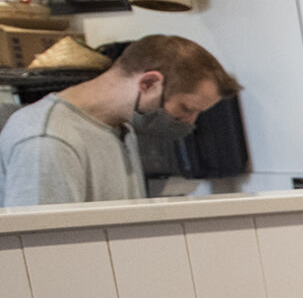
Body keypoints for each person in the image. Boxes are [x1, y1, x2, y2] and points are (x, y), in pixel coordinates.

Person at [0, 34, 238, 207]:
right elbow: (41, 252)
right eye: (185, 108)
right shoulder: (49, 139)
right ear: (148, 83)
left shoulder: (121, 128)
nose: (189, 122)